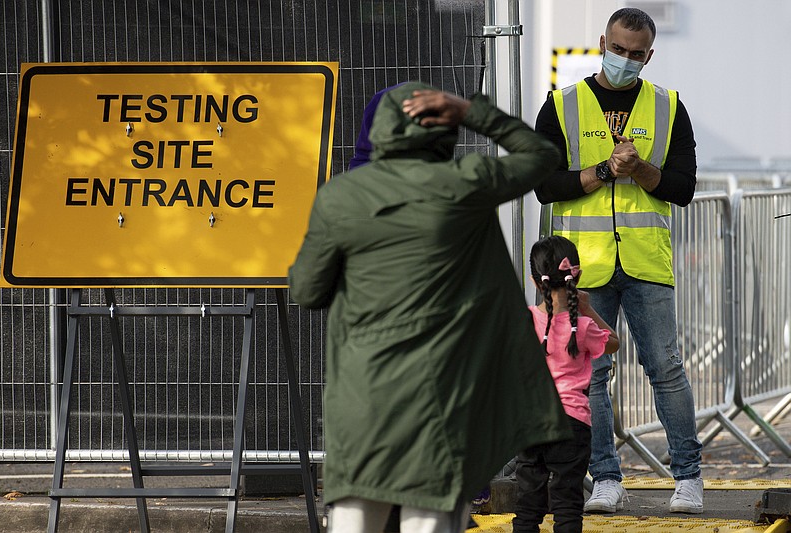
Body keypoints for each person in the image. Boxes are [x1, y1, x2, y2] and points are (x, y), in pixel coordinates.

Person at [289, 82, 572, 533]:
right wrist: (470, 110)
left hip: (362, 402)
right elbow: (541, 155)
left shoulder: (340, 197)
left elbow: (305, 290)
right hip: (442, 401)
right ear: (443, 128)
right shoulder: (465, 184)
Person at [533, 7, 704, 514]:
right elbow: (546, 186)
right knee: (591, 376)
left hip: (646, 262)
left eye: (636, 54)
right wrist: (608, 169)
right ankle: (605, 478)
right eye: (618, 49)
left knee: (666, 369)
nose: (625, 59)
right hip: (582, 267)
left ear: (649, 54)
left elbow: (683, 187)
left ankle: (688, 478)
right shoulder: (561, 105)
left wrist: (641, 170)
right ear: (602, 41)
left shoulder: (669, 107)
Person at [513, 235, 619, 533]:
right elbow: (614, 342)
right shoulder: (582, 327)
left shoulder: (523, 320)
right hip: (572, 423)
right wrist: (586, 308)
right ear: (577, 275)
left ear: (535, 282)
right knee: (567, 506)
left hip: (531, 420)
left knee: (527, 505)